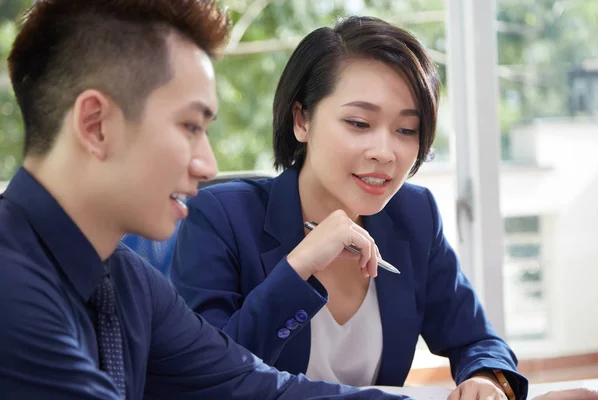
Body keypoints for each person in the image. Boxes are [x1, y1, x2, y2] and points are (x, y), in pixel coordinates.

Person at [0, 1, 410, 399]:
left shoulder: (128, 281)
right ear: (96, 125)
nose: (207, 165)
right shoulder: (13, 292)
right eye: (190, 126)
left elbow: (258, 385)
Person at [170, 16, 529, 400]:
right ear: (301, 119)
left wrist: (488, 381)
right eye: (359, 123)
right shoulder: (221, 218)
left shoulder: (414, 215)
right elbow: (207, 379)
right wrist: (298, 267)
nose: (385, 152)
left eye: (406, 130)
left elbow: (477, 339)